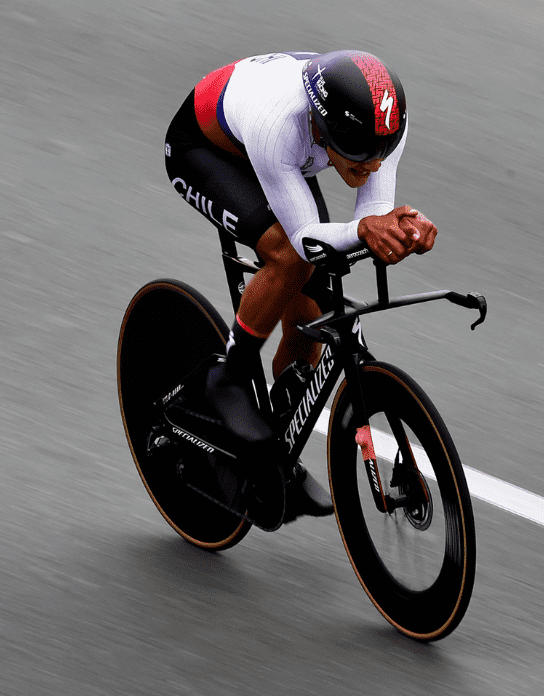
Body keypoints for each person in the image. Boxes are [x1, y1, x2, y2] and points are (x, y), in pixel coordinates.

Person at [164, 50, 437, 520]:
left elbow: (371, 217)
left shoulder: (386, 121)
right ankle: (228, 373)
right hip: (204, 149)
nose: (372, 167)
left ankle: (279, 433)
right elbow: (307, 240)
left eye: (381, 153)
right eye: (358, 156)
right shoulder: (281, 126)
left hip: (280, 154)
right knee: (290, 258)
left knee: (314, 308)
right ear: (323, 129)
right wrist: (369, 230)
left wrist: (399, 229)